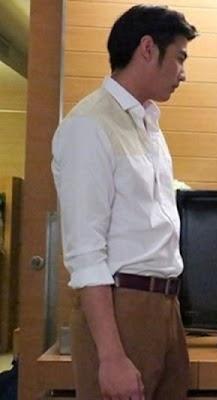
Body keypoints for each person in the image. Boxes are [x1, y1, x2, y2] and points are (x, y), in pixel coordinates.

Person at [51, 5, 198, 400]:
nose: (183, 73)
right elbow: (85, 252)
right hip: (122, 308)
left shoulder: (148, 124)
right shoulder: (89, 125)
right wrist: (111, 355)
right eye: (180, 57)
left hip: (166, 305)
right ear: (148, 49)